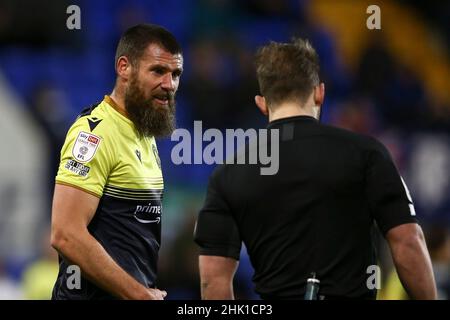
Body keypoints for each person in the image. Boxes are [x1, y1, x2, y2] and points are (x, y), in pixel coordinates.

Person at [194, 38, 437, 300]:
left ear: (262, 103)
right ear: (320, 92)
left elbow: (213, 280)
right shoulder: (368, 154)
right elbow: (408, 241)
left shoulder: (228, 174)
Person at [50, 24, 183, 300]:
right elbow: (65, 234)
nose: (169, 85)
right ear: (124, 67)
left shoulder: (144, 133)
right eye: (158, 71)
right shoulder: (94, 133)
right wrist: (138, 294)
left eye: (175, 74)